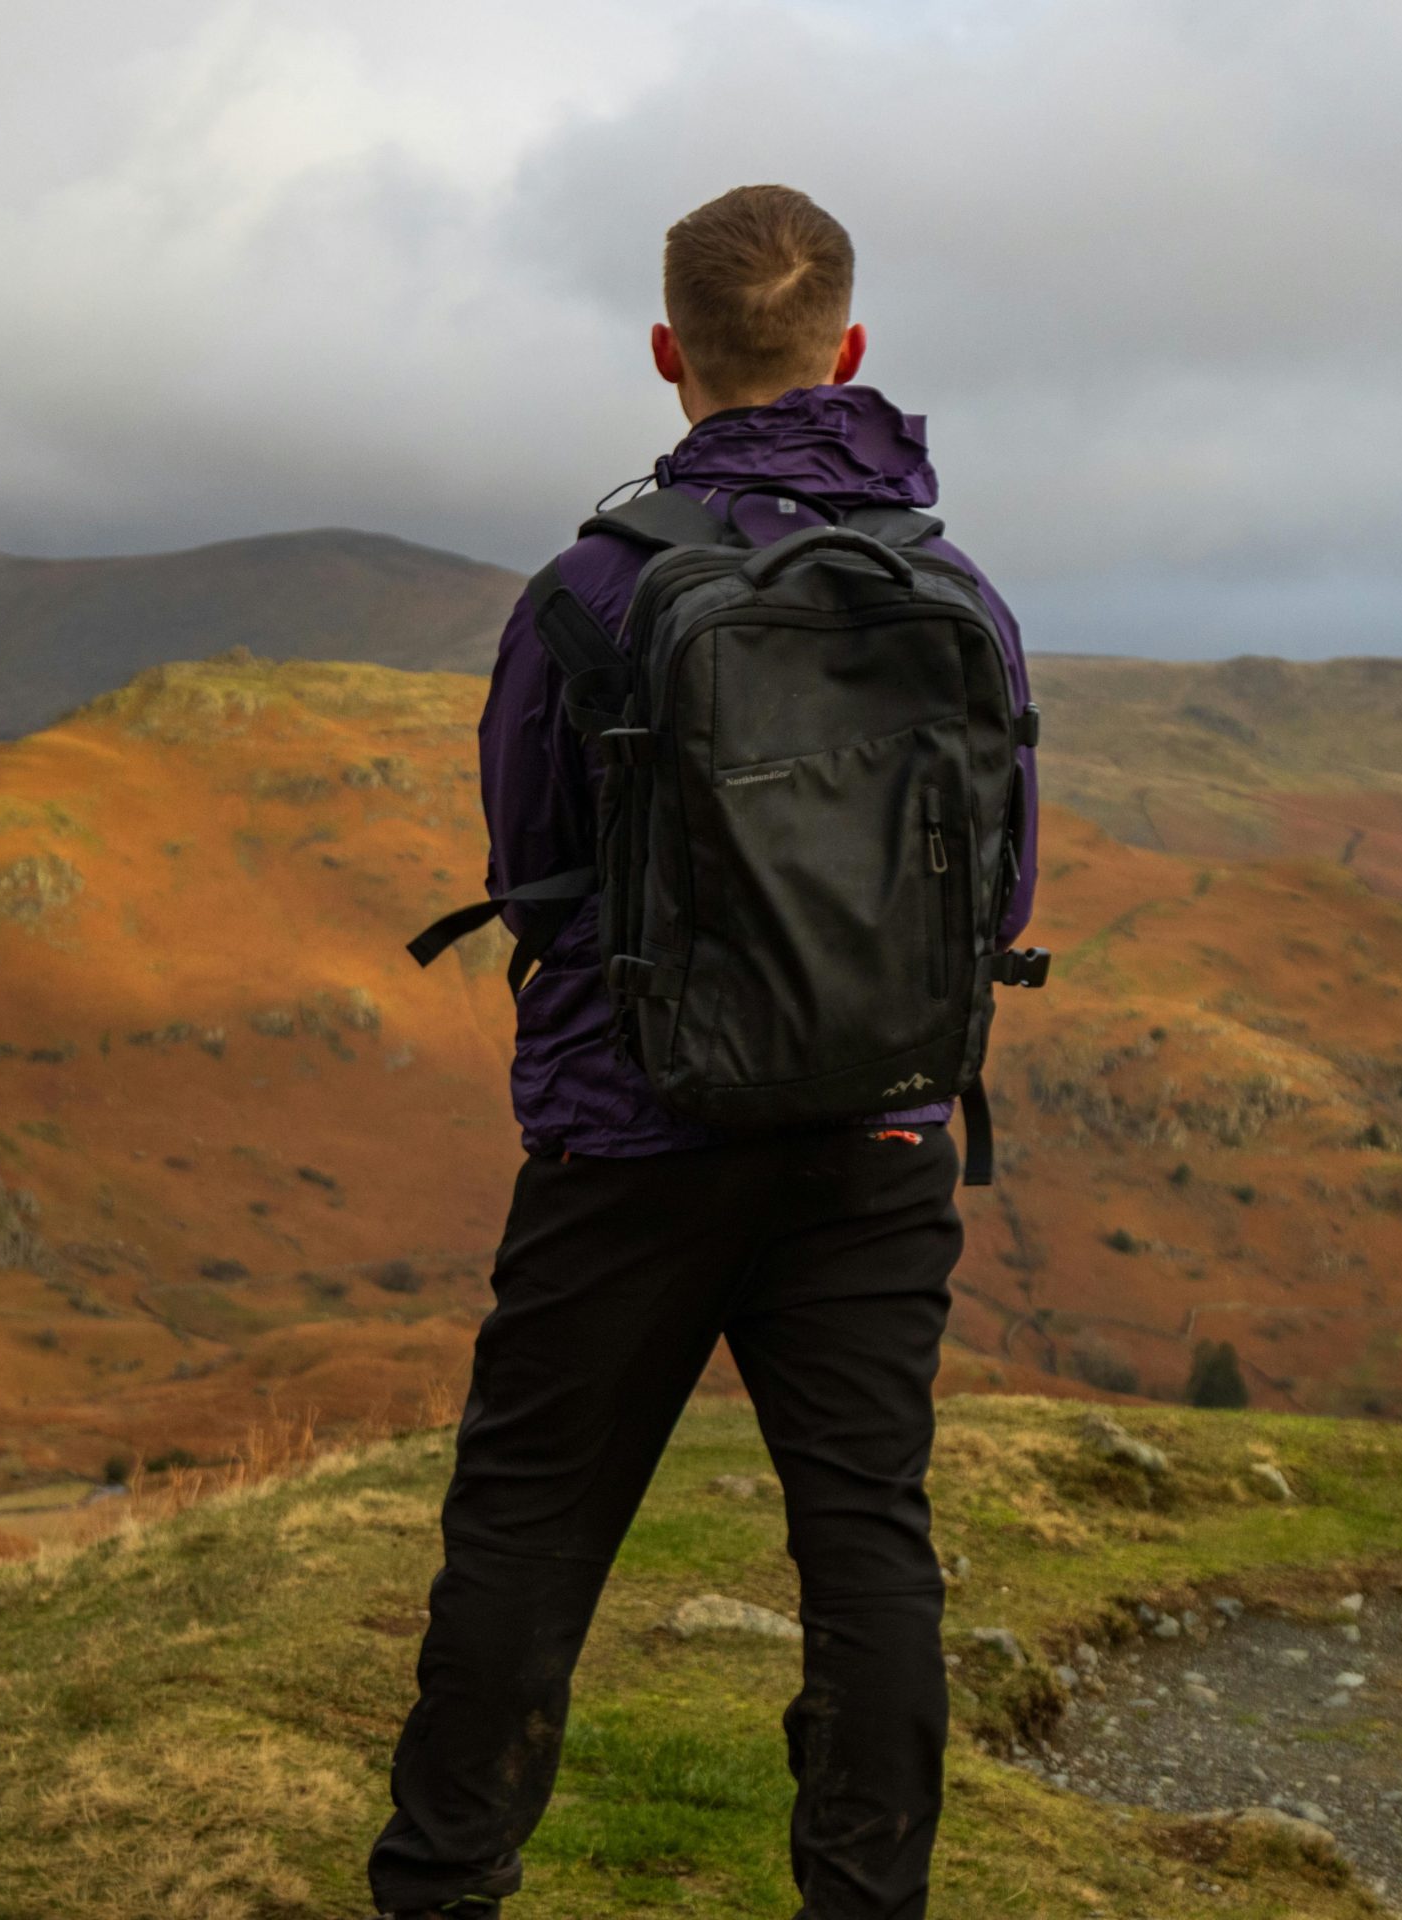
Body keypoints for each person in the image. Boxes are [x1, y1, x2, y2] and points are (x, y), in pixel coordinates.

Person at [366, 183, 1037, 1920]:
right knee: (867, 1542)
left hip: (632, 1138)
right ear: (853, 351)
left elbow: (531, 859)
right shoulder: (950, 590)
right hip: (879, 1142)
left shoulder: (594, 590)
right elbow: (1002, 873)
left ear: (668, 354)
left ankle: (442, 1889)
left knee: (526, 1534)